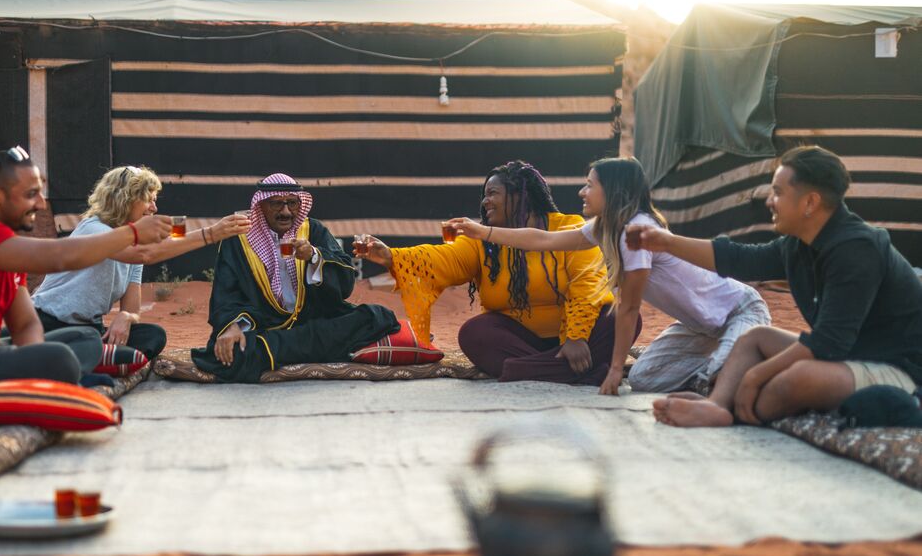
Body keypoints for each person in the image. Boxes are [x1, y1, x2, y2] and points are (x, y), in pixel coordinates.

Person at [641, 145, 922, 427]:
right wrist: (667, 242)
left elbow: (828, 342)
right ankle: (717, 406)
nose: (769, 201)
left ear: (810, 202)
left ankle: (736, 410)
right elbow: (740, 259)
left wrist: (755, 375)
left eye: (777, 192)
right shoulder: (798, 245)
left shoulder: (856, 249)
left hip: (896, 367)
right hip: (850, 354)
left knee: (799, 378)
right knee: (755, 337)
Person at [449, 157, 770, 395]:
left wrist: (616, 371)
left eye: (590, 185)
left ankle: (724, 371)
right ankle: (717, 371)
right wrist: (484, 232)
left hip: (738, 311)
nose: (582, 191)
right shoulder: (604, 228)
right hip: (697, 327)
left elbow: (629, 308)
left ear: (613, 191)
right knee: (644, 379)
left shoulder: (636, 231)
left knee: (723, 379)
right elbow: (543, 240)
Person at [0, 146, 170, 386]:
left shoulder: (8, 249)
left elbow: (26, 324)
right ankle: (81, 366)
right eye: (31, 194)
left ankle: (77, 365)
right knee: (63, 356)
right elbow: (62, 257)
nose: (40, 204)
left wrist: (36, 361)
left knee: (83, 340)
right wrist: (137, 233)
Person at [358, 160, 627, 386]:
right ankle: (573, 373)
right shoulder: (481, 240)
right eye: (484, 194)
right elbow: (445, 258)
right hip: (521, 340)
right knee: (474, 333)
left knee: (623, 318)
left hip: (575, 339)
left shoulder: (570, 227)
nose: (485, 201)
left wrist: (576, 336)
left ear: (519, 196)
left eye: (492, 193)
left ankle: (524, 371)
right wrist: (392, 256)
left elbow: (588, 282)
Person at [31, 165, 250, 370]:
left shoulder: (135, 245)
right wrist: (210, 234)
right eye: (148, 200)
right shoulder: (95, 229)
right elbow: (146, 254)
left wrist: (126, 317)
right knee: (94, 344)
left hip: (89, 329)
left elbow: (132, 309)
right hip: (49, 322)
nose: (154, 208)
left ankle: (87, 359)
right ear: (125, 199)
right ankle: (81, 359)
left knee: (153, 336)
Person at [192, 173, 399, 383]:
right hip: (264, 324)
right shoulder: (239, 240)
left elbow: (345, 281)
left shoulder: (312, 230)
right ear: (261, 206)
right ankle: (314, 349)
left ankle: (272, 352)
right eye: (276, 204)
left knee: (375, 316)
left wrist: (314, 257)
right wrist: (233, 326)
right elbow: (226, 293)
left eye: (292, 203)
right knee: (228, 351)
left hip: (314, 320)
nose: (286, 212)